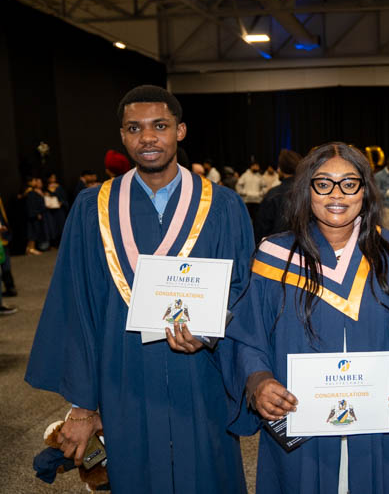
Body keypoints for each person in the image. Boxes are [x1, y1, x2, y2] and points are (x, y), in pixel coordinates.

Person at [25, 85, 252, 494]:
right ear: (122, 135)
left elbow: (242, 290)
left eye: (159, 126)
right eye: (134, 128)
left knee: (207, 474)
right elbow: (78, 306)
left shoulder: (222, 206)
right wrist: (83, 405)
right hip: (123, 376)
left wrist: (209, 331)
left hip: (201, 374)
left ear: (180, 131)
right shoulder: (91, 208)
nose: (147, 137)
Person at [221, 142, 389, 493]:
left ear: (365, 191)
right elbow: (248, 335)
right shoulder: (274, 255)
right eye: (323, 183)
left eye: (349, 183)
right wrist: (258, 381)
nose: (337, 194)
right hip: (299, 422)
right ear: (307, 190)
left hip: (377, 424)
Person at [254, 149, 302, 242]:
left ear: (281, 169)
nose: (277, 170)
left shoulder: (274, 194)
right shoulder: (309, 191)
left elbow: (261, 229)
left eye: (279, 167)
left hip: (277, 246)